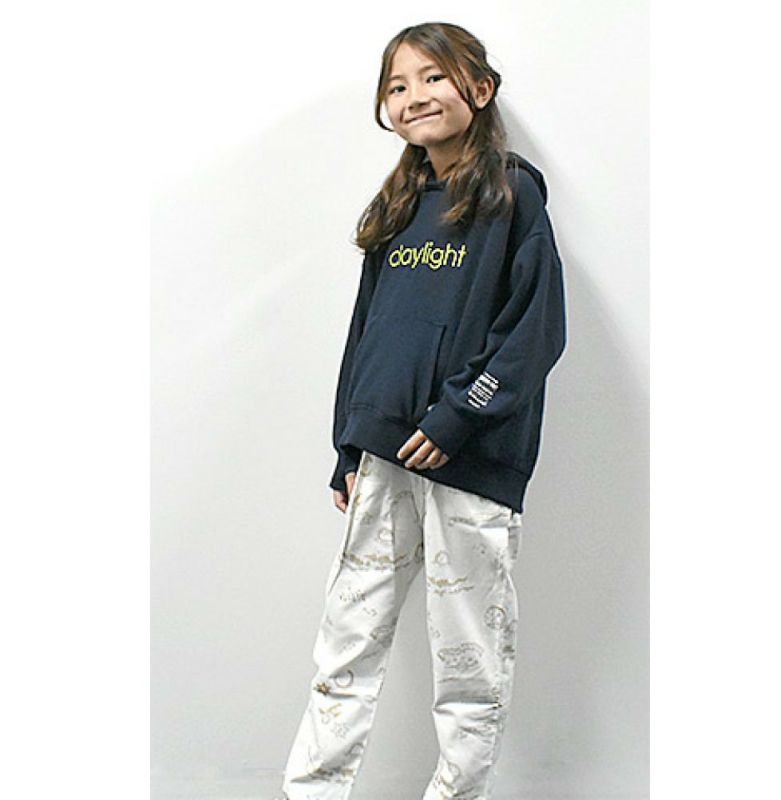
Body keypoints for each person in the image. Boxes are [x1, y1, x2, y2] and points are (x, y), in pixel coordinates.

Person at [276, 21, 567, 800]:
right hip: (381, 456)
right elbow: (366, 333)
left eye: (433, 77)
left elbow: (535, 329)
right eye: (398, 86)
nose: (414, 97)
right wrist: (348, 445)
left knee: (468, 654)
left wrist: (457, 416)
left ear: (480, 88)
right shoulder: (397, 208)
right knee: (346, 644)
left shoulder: (512, 194)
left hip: (468, 461)